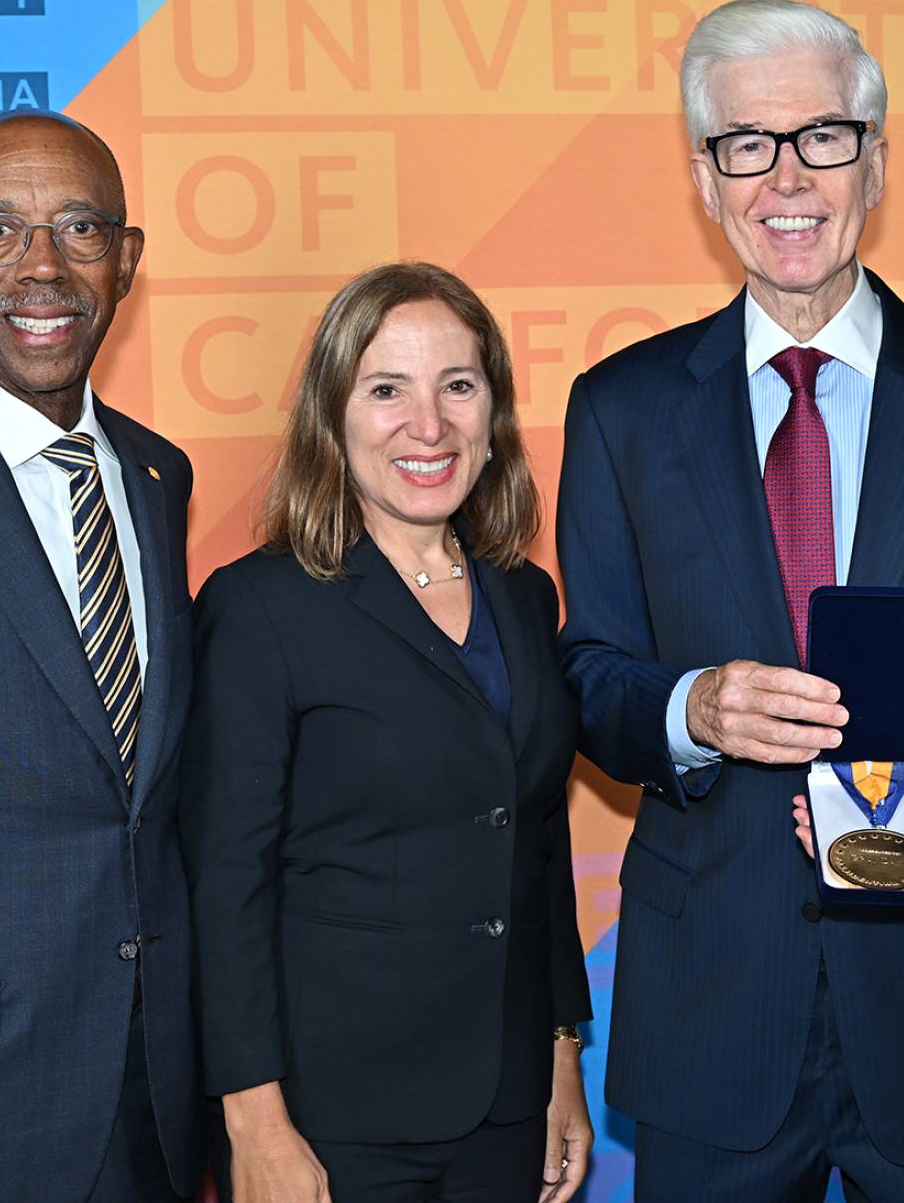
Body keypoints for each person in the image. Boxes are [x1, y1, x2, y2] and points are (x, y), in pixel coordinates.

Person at [556, 0, 904, 1201]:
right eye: (746, 143)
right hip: (716, 1024)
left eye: (824, 136)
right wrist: (693, 708)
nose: (786, 177)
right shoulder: (621, 410)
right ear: (706, 179)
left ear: (879, 160)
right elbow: (589, 677)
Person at [181, 261, 592, 1203]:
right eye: (386, 389)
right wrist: (253, 1120)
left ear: (494, 415)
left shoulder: (525, 596)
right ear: (334, 418)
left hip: (505, 1101)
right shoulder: (260, 608)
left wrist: (562, 1051)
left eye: (458, 385)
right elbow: (223, 878)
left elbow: (534, 836)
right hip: (329, 1117)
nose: (428, 424)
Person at [0, 111, 204, 1201]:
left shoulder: (159, 480)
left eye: (79, 228)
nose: (40, 268)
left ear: (127, 261)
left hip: (155, 1092)